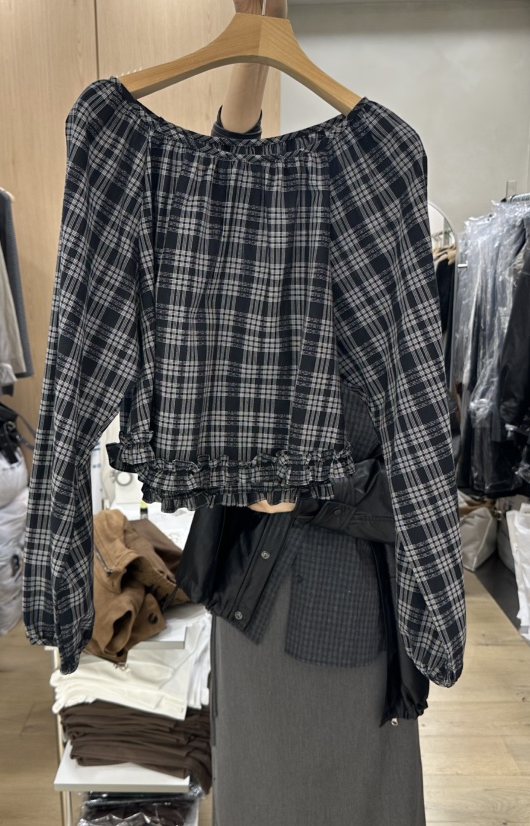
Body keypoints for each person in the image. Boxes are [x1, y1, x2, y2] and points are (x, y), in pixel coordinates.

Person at [196, 1, 429, 823]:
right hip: (250, 594)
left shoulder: (392, 296)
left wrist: (309, 491)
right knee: (254, 780)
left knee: (354, 788)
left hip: (342, 603)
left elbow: (418, 476)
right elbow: (226, 165)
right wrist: (256, 34)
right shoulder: (248, 286)